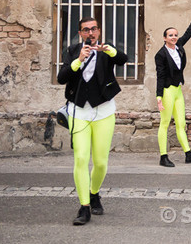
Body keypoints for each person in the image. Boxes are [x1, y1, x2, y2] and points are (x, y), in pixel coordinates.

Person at [57, 17, 128, 225]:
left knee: (100, 162)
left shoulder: (107, 50)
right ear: (80, 33)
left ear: (99, 31)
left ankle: (94, 192)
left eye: (94, 29)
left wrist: (110, 51)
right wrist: (78, 59)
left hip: (104, 110)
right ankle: (84, 207)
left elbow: (123, 59)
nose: (90, 33)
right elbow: (62, 77)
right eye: (86, 30)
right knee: (80, 159)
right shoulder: (72, 51)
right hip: (79, 111)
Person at [155, 2, 191, 167]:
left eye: (175, 35)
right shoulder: (160, 55)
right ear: (165, 38)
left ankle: (188, 154)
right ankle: (163, 157)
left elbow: (189, 32)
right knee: (164, 124)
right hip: (167, 91)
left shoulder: (179, 47)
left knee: (181, 123)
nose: (174, 37)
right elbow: (160, 76)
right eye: (170, 35)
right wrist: (159, 97)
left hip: (178, 90)